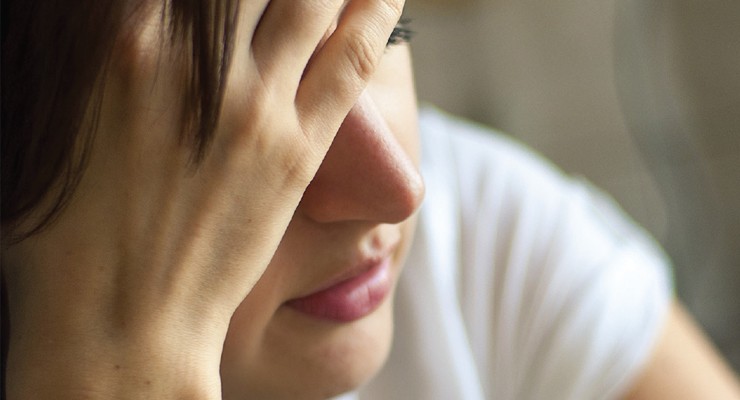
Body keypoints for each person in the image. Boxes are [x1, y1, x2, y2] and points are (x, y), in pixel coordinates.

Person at [1, 0, 738, 399]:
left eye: (384, 39)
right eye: (224, 121)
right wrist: (116, 361)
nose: (396, 191)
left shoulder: (476, 241)